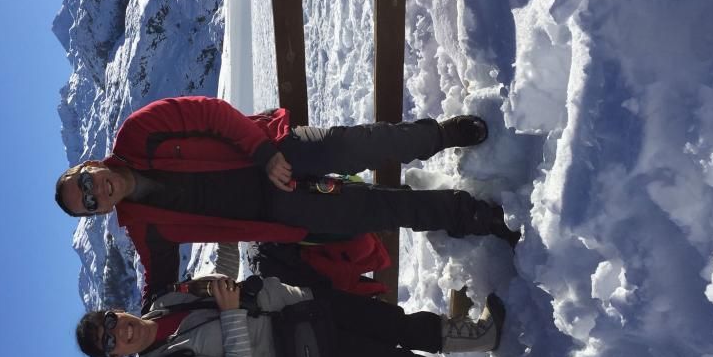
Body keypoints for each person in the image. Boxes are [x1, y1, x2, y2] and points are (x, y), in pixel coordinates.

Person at [54, 96, 521, 299]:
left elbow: (211, 113)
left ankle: (440, 135)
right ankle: (472, 215)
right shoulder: (143, 227)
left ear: (87, 166)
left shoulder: (138, 133)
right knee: (381, 208)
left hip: (276, 148)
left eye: (87, 184)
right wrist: (133, 332)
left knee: (362, 144)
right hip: (280, 212)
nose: (97, 192)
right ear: (100, 213)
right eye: (89, 203)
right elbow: (158, 284)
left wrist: (262, 153)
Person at [74, 275, 526, 357]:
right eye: (109, 341)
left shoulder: (165, 301)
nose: (119, 331)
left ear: (116, 310)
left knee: (396, 324)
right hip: (300, 355)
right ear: (116, 356)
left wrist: (248, 292)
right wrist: (232, 315)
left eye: (109, 321)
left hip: (302, 308)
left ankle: (479, 336)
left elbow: (225, 290)